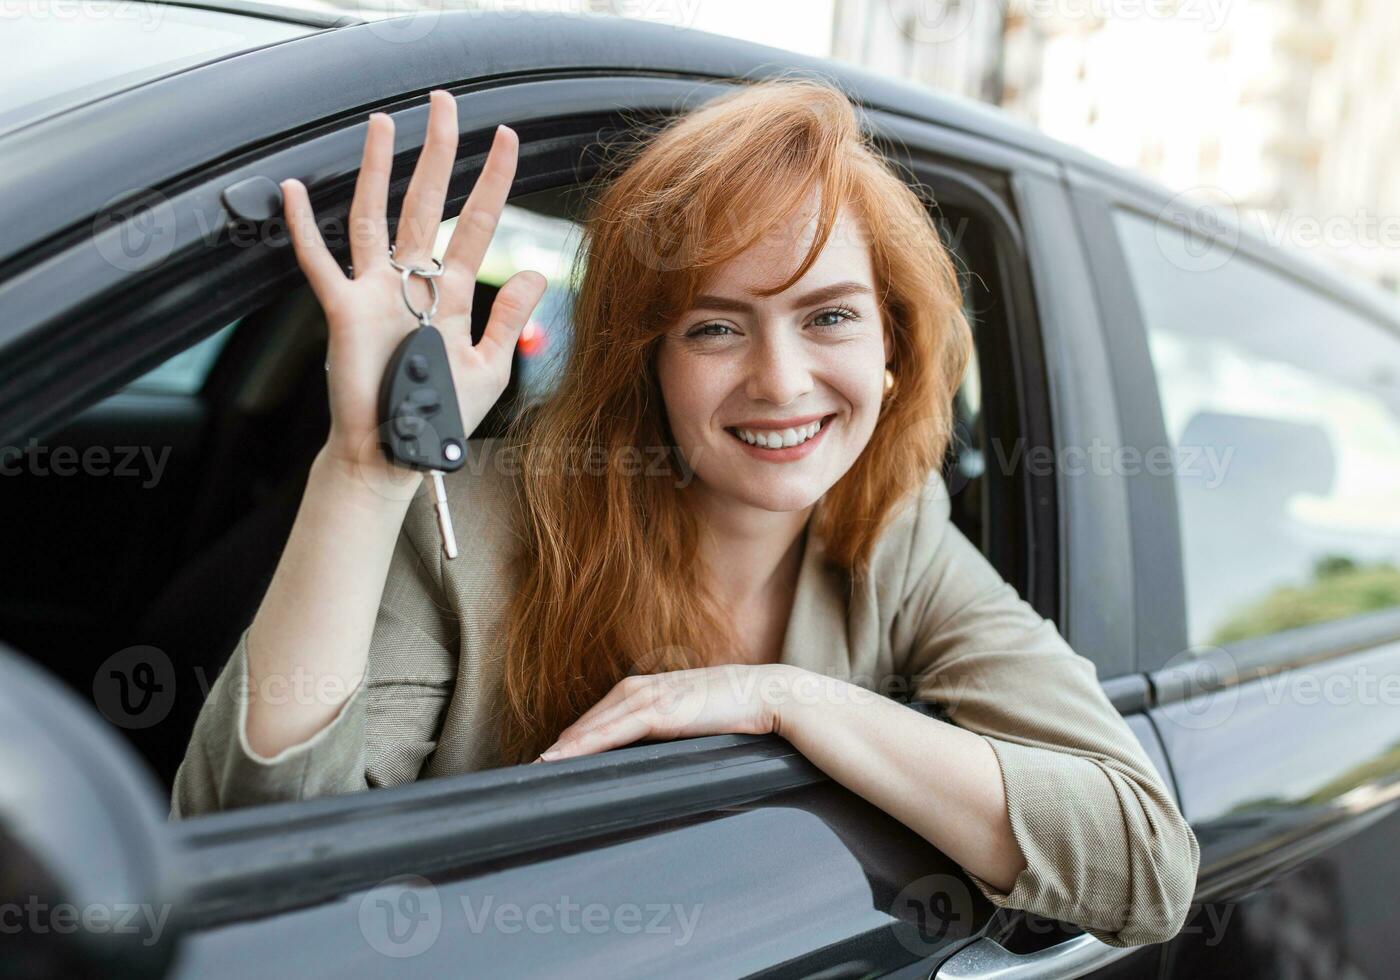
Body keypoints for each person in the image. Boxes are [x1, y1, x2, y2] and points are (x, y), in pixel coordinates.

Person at [170, 76, 1199, 947]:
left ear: (894, 348)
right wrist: (364, 467)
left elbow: (1147, 862)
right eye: (715, 327)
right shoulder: (476, 522)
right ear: (649, 364)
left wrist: (794, 698)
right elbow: (262, 872)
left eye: (829, 315)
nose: (782, 379)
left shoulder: (895, 529)